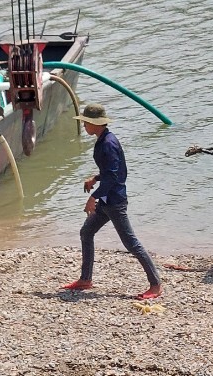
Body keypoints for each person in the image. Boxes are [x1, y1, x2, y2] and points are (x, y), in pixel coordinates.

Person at [61, 103, 162, 301]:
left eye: (86, 123)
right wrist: (96, 178)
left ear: (94, 124)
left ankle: (156, 284)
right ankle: (85, 279)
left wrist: (93, 197)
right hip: (107, 200)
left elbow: (115, 177)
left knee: (131, 243)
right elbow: (112, 172)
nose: (84, 126)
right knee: (86, 232)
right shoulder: (103, 139)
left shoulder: (108, 144)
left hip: (114, 202)